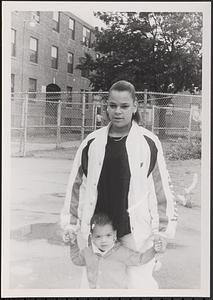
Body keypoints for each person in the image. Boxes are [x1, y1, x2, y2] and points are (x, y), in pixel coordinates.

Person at [60, 80, 178, 288]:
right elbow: (76, 188)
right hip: (99, 232)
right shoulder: (92, 143)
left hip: (133, 231)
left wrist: (162, 231)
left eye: (124, 106)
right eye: (113, 105)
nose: (118, 111)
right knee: (93, 283)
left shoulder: (148, 142)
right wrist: (70, 224)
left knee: (138, 283)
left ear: (135, 107)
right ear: (106, 107)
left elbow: (160, 191)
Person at [64, 212, 165, 289]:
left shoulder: (121, 252)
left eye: (108, 235)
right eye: (98, 236)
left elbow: (140, 259)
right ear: (92, 237)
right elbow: (76, 260)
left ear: (114, 235)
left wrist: (154, 250)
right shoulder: (88, 252)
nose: (103, 240)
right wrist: (73, 244)